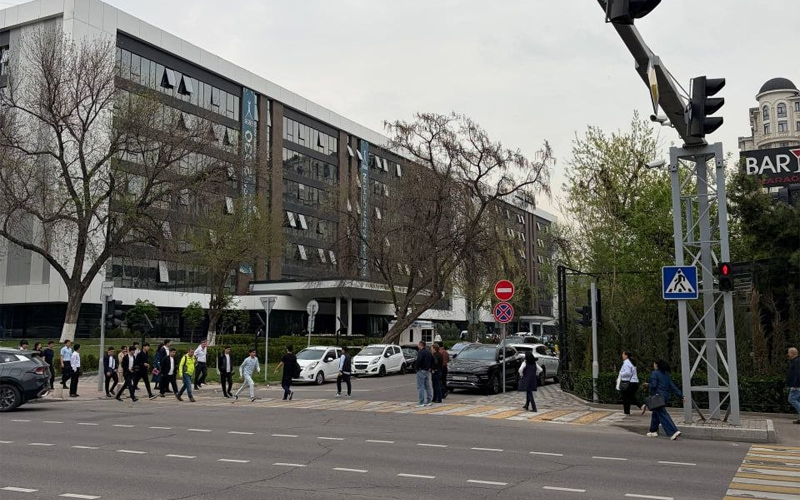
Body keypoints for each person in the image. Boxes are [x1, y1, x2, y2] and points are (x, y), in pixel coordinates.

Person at [645, 360, 685, 440]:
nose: (653, 365)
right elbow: (672, 386)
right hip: (665, 396)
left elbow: (653, 386)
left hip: (657, 396)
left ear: (656, 365)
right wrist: (681, 396)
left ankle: (673, 431)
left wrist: (648, 385)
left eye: (654, 363)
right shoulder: (666, 374)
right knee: (656, 412)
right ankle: (653, 431)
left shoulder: (654, 373)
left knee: (662, 414)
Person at [618, 351, 641, 415]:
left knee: (626, 398)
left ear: (626, 355)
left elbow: (627, 373)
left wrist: (621, 374)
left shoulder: (627, 363)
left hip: (628, 382)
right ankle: (640, 406)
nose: (622, 356)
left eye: (623, 354)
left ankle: (627, 411)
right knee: (630, 397)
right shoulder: (631, 362)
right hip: (634, 381)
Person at [414, 341, 433, 407]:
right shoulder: (428, 352)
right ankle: (429, 400)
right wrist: (429, 367)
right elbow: (432, 360)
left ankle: (421, 402)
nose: (418, 346)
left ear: (421, 345)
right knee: (427, 386)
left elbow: (419, 360)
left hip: (421, 370)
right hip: (427, 371)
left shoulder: (421, 352)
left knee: (420, 387)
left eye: (418, 345)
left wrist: (416, 367)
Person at [787, 347, 800, 424]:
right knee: (798, 400)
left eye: (789, 353)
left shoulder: (796, 361)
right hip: (796, 385)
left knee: (792, 399)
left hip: (796, 385)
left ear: (792, 353)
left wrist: (795, 384)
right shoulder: (796, 361)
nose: (788, 354)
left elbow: (797, 374)